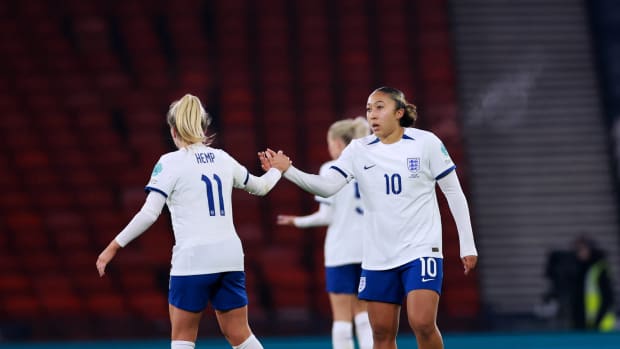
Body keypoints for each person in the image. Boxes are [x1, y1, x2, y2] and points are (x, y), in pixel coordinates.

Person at [260, 86, 478, 349]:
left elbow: (454, 193)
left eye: (379, 107)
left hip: (421, 248)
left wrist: (467, 244)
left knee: (421, 322)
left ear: (399, 112)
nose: (372, 114)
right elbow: (327, 186)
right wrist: (289, 170)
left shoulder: (426, 143)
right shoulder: (357, 149)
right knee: (382, 333)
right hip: (377, 255)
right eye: (368, 109)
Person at [96, 94, 289, 349]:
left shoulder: (170, 163)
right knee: (240, 335)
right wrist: (278, 169)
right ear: (203, 126)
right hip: (229, 257)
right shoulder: (222, 157)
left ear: (173, 130)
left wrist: (113, 247)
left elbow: (149, 213)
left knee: (183, 339)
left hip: (193, 259)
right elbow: (261, 187)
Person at [276, 117, 373, 349]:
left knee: (342, 316)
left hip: (341, 250)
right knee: (364, 313)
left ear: (338, 144)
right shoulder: (369, 166)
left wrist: (297, 222)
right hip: (369, 249)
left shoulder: (330, 169)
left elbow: (326, 216)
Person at [572, 235, 616, 331]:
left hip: (602, 325)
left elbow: (608, 297)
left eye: (581, 249)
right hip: (588, 324)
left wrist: (598, 320)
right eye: (577, 250)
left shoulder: (598, 268)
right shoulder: (581, 268)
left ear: (589, 249)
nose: (579, 253)